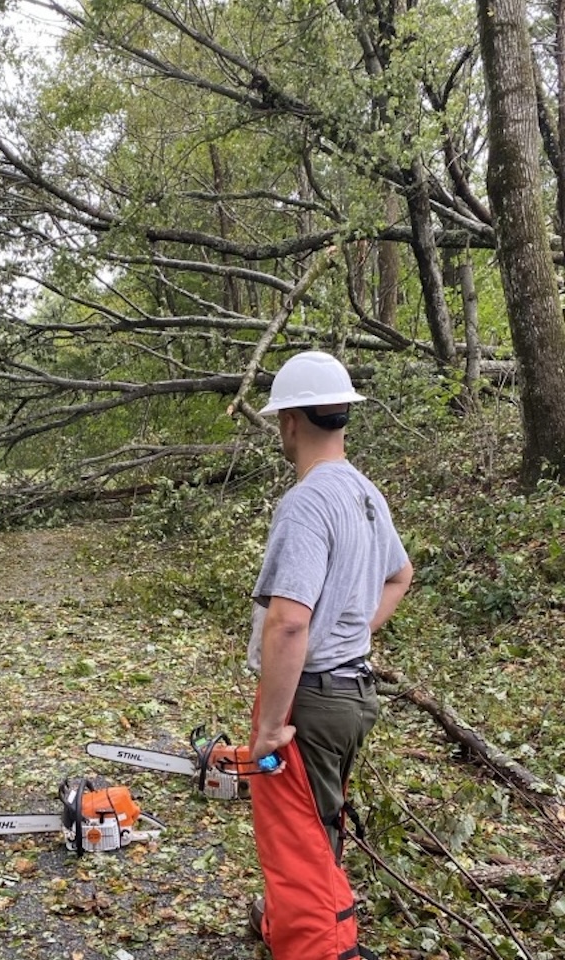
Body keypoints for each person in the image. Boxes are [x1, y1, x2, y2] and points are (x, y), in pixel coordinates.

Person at [245, 353, 413, 960]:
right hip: (353, 692)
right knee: (322, 824)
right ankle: (293, 924)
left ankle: (320, 946)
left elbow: (289, 623)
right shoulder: (366, 494)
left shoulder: (309, 502)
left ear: (290, 420)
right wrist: (351, 630)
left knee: (300, 837)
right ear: (343, 415)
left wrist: (268, 727)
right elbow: (401, 575)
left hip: (311, 699)